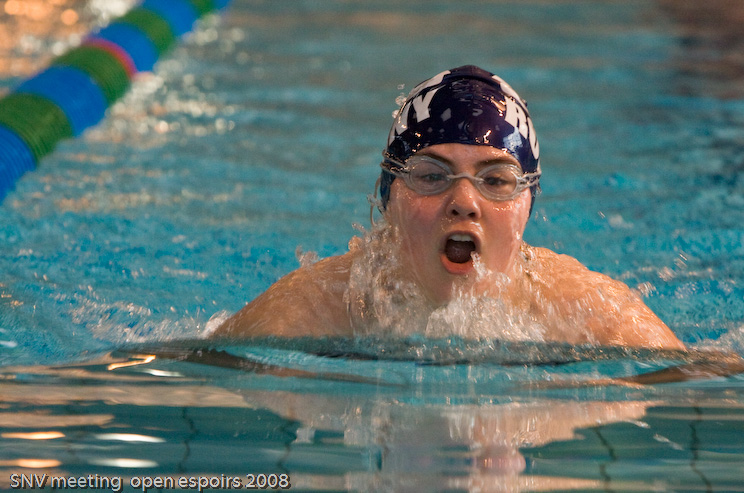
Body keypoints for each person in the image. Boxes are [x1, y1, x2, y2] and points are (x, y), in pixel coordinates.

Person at [213, 65, 684, 349]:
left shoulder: (586, 312)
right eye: (431, 176)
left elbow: (699, 386)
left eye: (495, 181)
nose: (464, 203)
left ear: (526, 207)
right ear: (389, 199)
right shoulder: (317, 307)